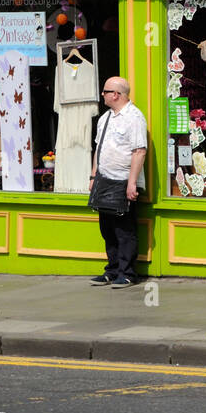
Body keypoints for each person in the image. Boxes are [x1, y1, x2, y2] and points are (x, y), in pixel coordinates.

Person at [88, 76, 147, 289]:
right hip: (104, 180)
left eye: (105, 91)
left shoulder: (134, 117)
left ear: (116, 94)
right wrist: (94, 176)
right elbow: (99, 148)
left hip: (123, 181)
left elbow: (139, 151)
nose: (102, 95)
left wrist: (132, 183)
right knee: (107, 228)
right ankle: (112, 270)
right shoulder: (106, 118)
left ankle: (128, 272)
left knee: (124, 229)